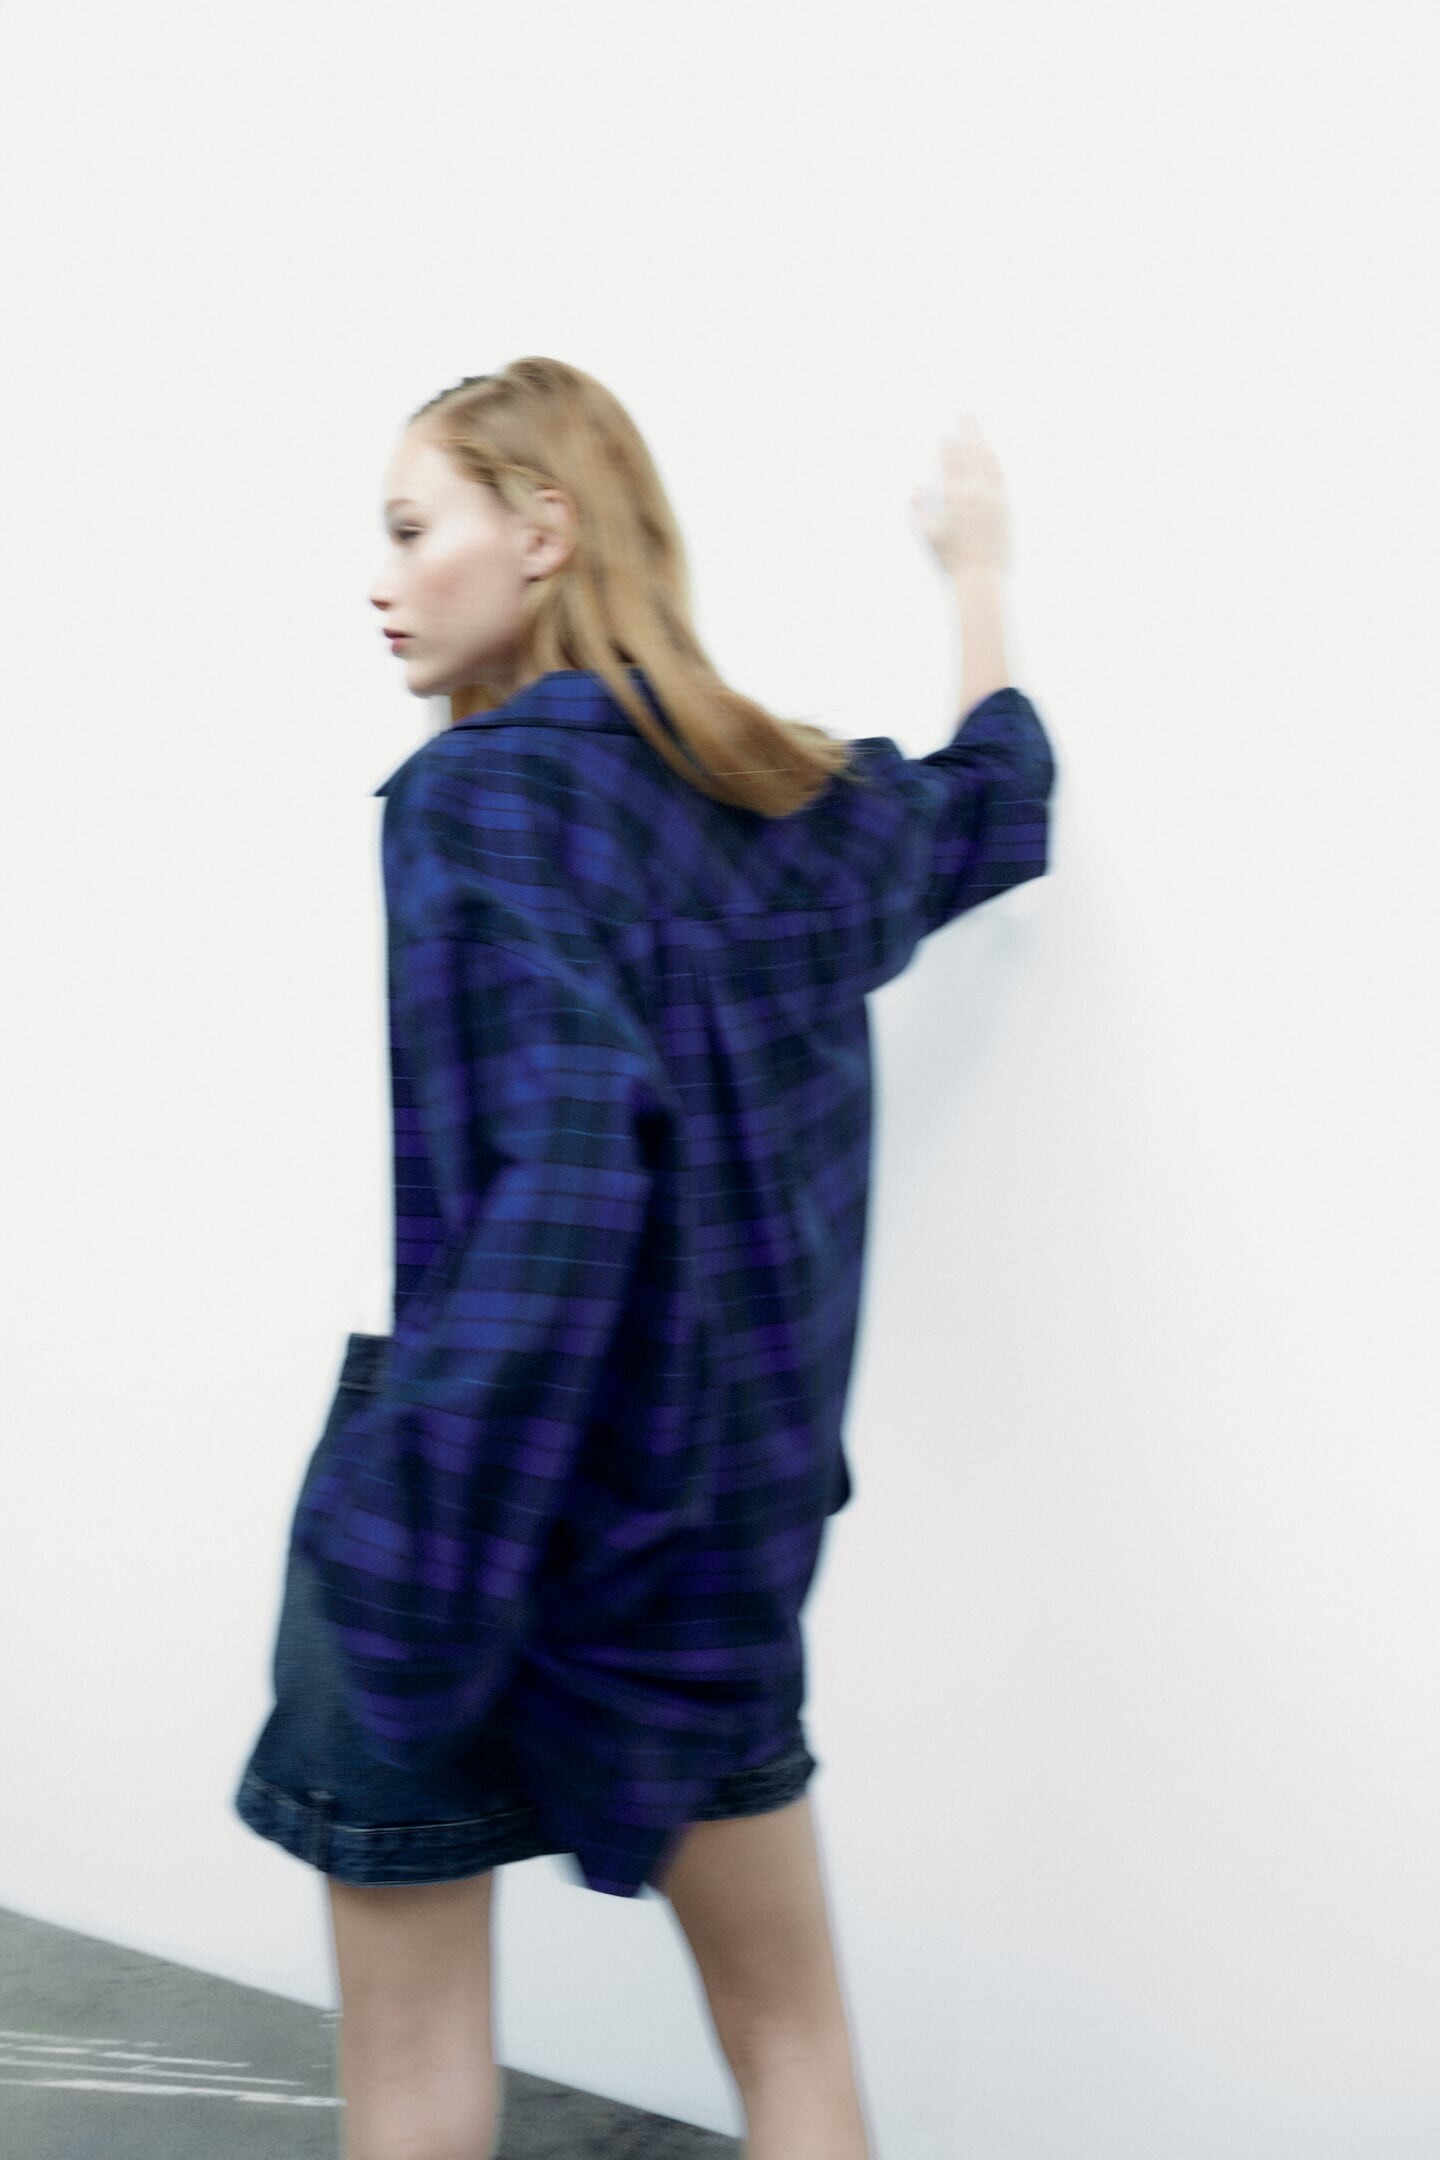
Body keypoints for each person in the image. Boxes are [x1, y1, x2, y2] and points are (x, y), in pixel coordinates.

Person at [232, 357, 1056, 2160]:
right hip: (702, 1536)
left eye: (410, 529)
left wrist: (399, 1533)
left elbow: (571, 1170)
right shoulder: (787, 802)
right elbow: (999, 803)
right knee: (793, 2047)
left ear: (544, 531)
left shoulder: (471, 801)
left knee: (419, 2083)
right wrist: (980, 573)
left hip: (458, 1487)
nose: (379, 580)